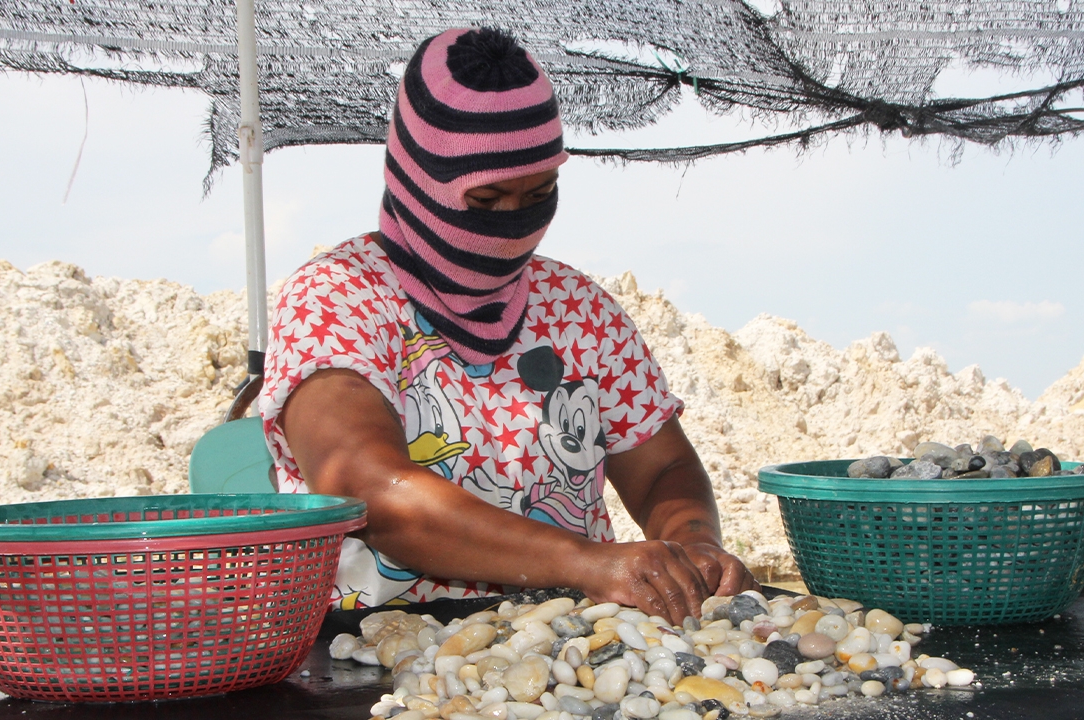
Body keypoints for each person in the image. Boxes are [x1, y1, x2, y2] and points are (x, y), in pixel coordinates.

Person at [258, 27, 759, 624]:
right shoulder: (340, 296)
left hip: (566, 643)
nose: (513, 225)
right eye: (487, 202)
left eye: (538, 194)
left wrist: (694, 541)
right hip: (369, 650)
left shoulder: (576, 307)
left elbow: (663, 470)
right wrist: (584, 562)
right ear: (417, 181)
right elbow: (368, 490)